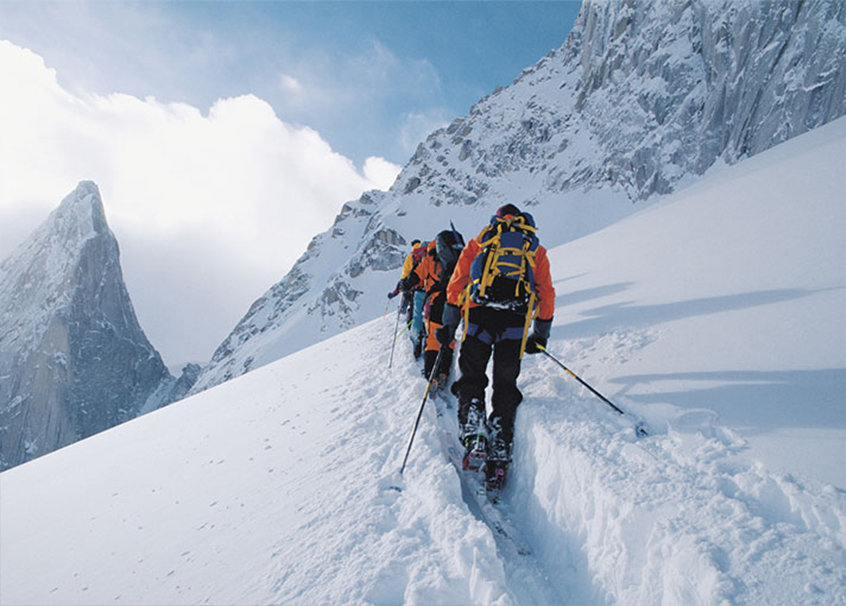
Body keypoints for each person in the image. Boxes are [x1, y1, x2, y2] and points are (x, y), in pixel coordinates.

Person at [436, 204, 555, 491]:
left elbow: (457, 282)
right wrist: (540, 333)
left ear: (497, 218)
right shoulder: (534, 249)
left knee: (472, 376)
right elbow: (546, 292)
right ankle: (500, 446)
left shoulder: (481, 241)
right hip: (515, 321)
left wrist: (449, 324)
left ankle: (473, 431)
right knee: (505, 382)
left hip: (478, 318)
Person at [402, 229, 464, 384]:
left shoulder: (429, 259)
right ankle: (444, 372)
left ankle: (431, 375)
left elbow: (415, 276)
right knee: (448, 338)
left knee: (433, 339)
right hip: (455, 301)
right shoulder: (459, 257)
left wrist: (404, 285)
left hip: (436, 302)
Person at [388, 239, 427, 358]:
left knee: (415, 313)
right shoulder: (427, 252)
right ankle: (428, 335)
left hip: (415, 289)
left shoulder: (411, 257)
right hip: (429, 288)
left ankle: (416, 341)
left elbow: (404, 276)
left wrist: (395, 292)